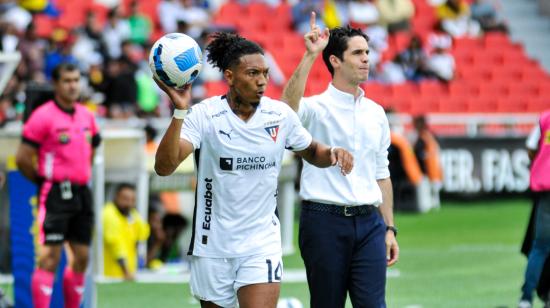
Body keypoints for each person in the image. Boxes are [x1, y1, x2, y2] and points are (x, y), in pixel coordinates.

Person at [153, 31, 354, 308]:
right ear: (230, 76)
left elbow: (311, 150)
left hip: (261, 244)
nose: (261, 81)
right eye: (252, 73)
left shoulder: (280, 115)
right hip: (212, 247)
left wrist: (332, 153)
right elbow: (164, 167)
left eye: (265, 73)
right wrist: (179, 111)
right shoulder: (204, 115)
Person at [281, 13, 399, 307]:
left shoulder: (376, 113)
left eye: (367, 53)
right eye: (357, 53)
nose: (366, 59)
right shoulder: (315, 107)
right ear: (335, 60)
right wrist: (310, 56)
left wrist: (389, 228)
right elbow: (287, 110)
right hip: (323, 222)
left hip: (370, 224)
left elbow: (381, 174)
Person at [15, 62, 101, 308]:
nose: (73, 85)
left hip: (82, 192)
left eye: (76, 80)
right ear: (56, 84)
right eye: (67, 81)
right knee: (49, 257)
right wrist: (44, 181)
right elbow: (22, 158)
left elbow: (91, 149)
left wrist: (80, 173)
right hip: (53, 192)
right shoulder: (42, 117)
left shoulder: (87, 115)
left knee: (82, 257)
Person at [519, 111, 550, 308]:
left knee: (539, 248)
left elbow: (531, 147)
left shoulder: (545, 118)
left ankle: (526, 298)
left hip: (547, 192)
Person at [103, 183, 150, 280]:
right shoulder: (109, 215)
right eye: (125, 199)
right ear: (116, 197)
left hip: (126, 274)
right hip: (110, 276)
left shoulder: (130, 215)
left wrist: (133, 215)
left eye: (132, 200)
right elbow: (115, 246)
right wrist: (126, 271)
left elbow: (143, 234)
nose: (128, 204)